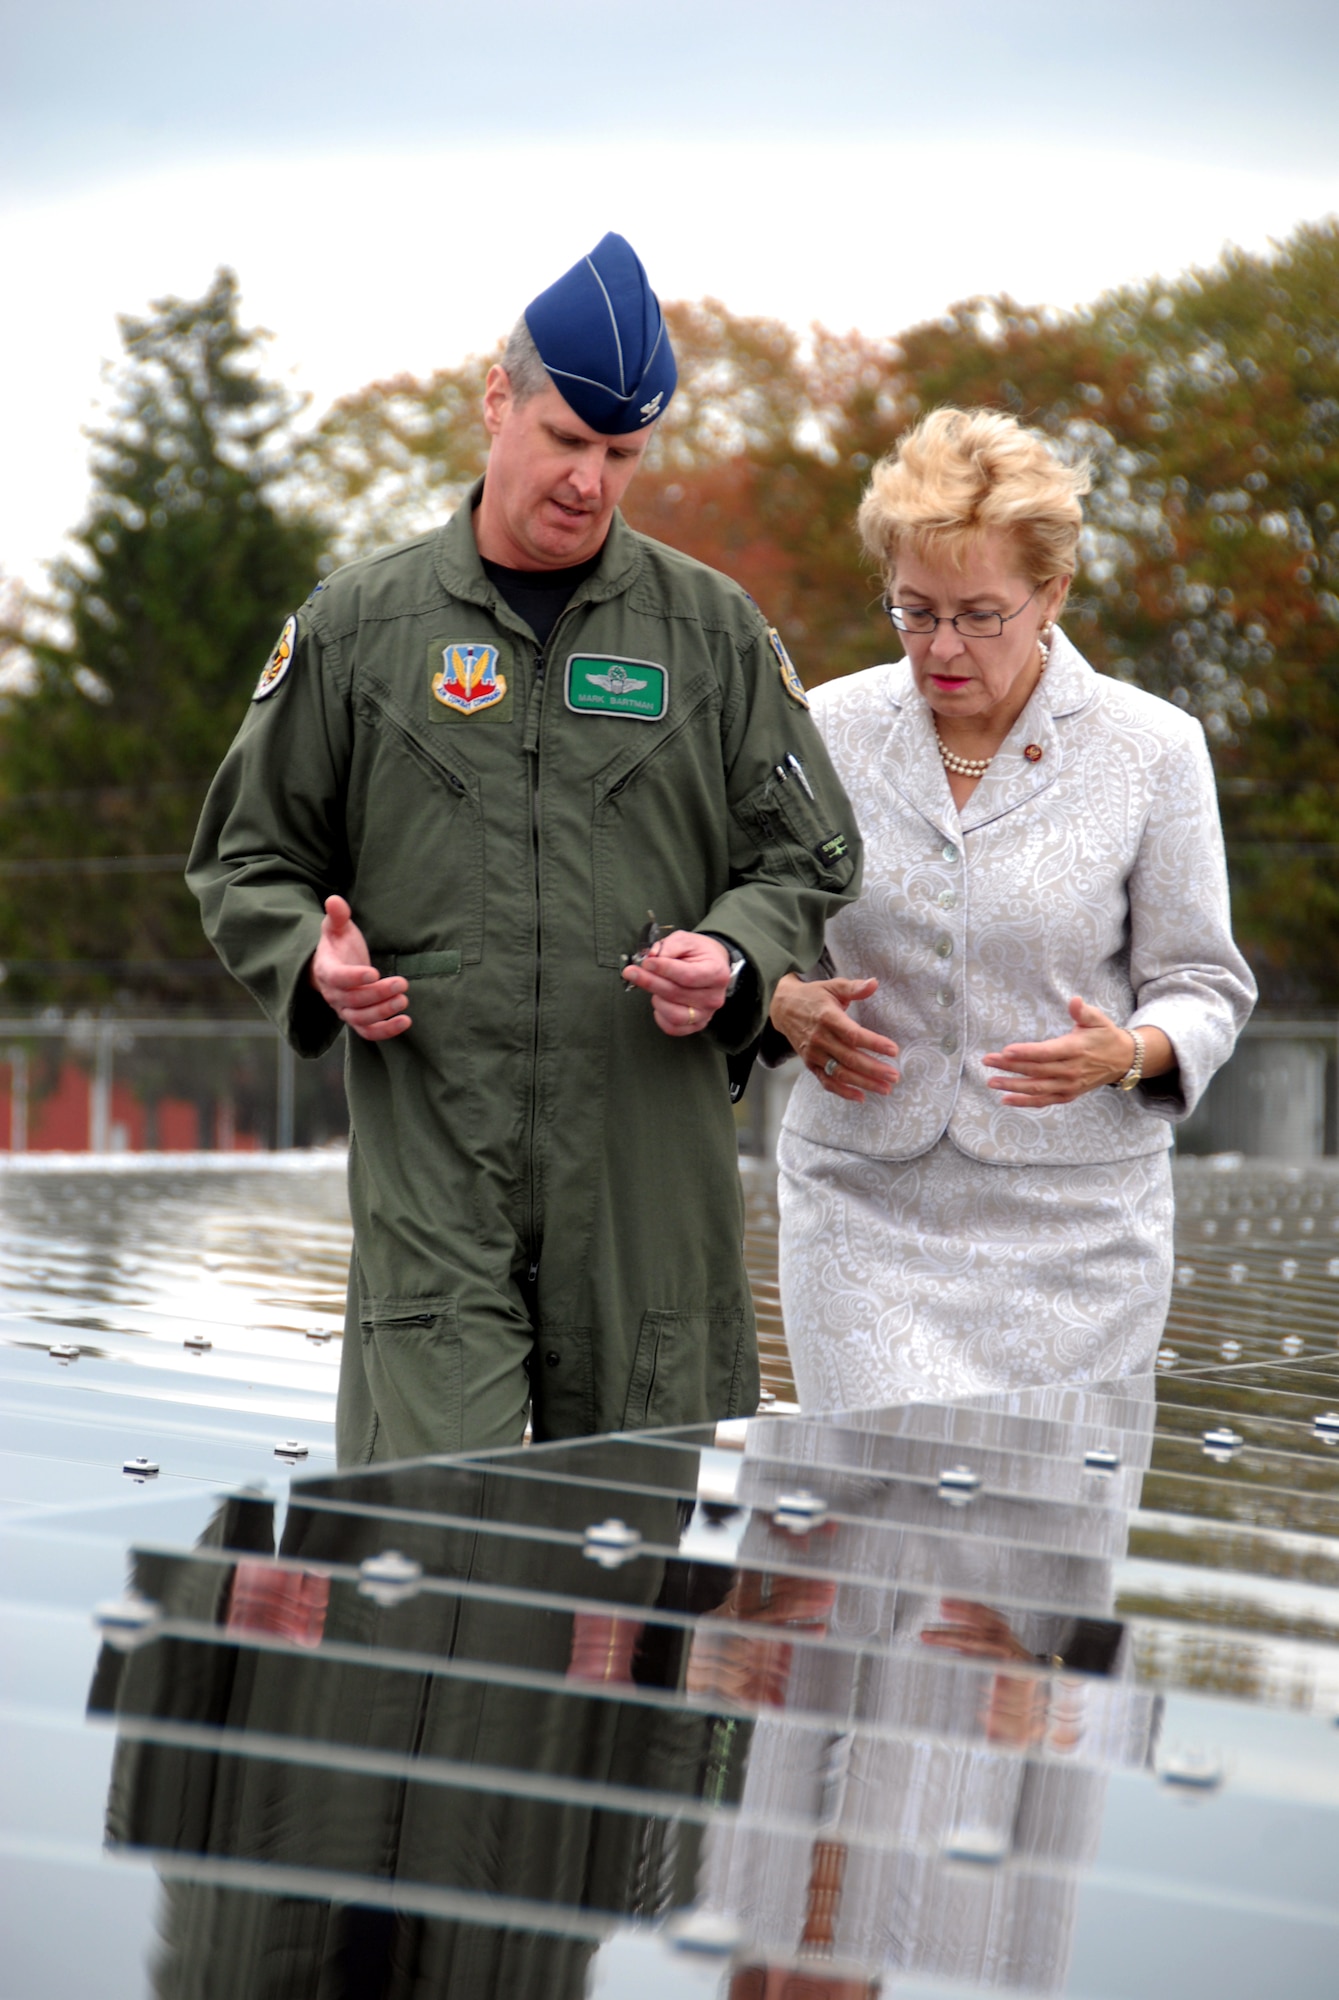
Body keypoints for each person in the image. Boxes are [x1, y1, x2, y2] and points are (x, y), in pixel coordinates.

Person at [188, 232, 860, 1463]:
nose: (590, 482)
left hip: (646, 1188)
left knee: (625, 1580)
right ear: (496, 402)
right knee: (442, 1551)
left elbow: (809, 856)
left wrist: (735, 955)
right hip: (438, 1170)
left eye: (622, 454)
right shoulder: (357, 630)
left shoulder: (709, 634)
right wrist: (310, 963)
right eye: (566, 440)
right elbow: (245, 861)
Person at [767, 406, 1255, 1409]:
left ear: (1052, 593)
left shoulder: (1153, 748)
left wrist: (1130, 1049)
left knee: (1030, 1551)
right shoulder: (826, 725)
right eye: (913, 608)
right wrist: (781, 997)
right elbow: (752, 911)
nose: (940, 644)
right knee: (870, 1528)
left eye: (979, 613)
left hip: (1077, 1237)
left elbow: (1203, 981)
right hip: (862, 1211)